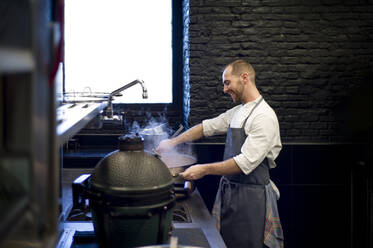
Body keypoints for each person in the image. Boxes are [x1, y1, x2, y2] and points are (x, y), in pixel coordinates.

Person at [156, 59, 284, 248]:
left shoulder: (264, 116)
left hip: (252, 200)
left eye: (227, 82)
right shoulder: (240, 111)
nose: (224, 89)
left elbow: (243, 163)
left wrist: (204, 169)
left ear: (244, 78)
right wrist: (172, 142)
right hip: (231, 193)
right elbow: (207, 127)